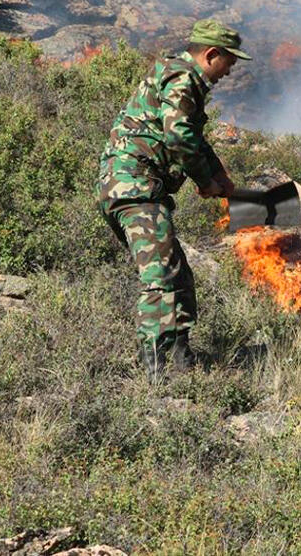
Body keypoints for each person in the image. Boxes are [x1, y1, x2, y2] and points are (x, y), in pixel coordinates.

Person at [96, 19, 250, 377]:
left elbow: (194, 135)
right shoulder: (183, 78)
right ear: (212, 55)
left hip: (139, 189)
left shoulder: (182, 79)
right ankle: (157, 373)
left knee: (178, 275)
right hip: (132, 187)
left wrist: (219, 176)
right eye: (230, 61)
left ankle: (182, 362)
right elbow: (179, 136)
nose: (230, 71)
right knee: (161, 276)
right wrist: (202, 179)